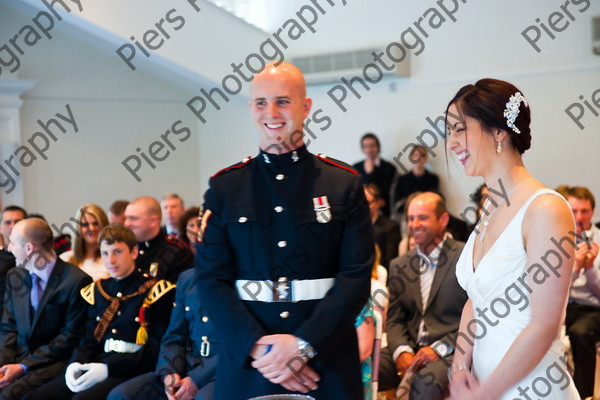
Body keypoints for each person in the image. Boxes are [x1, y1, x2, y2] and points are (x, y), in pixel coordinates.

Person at [195, 61, 374, 399]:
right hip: (250, 363)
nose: (271, 112)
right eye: (261, 102)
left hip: (326, 362)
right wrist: (261, 351)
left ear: (305, 107)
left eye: (283, 101)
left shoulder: (343, 185)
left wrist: (303, 346)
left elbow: (355, 278)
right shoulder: (224, 188)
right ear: (251, 109)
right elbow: (210, 279)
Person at [446, 78, 579, 399]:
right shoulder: (490, 209)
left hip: (531, 387)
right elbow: (476, 300)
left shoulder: (545, 208)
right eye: (449, 132)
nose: (451, 143)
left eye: (460, 129)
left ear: (499, 132)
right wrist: (460, 364)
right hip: (483, 380)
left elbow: (545, 326)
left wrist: (486, 393)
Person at [24, 225, 176, 400]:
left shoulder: (156, 291)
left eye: (117, 252)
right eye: (104, 253)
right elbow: (89, 339)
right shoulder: (98, 291)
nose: (110, 260)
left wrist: (107, 368)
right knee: (38, 396)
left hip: (131, 369)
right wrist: (76, 363)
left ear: (134, 252)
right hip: (96, 363)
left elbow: (154, 350)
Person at [379, 192, 468, 399]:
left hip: (449, 351)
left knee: (425, 381)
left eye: (422, 217)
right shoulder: (399, 265)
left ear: (443, 220)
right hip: (409, 348)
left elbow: (477, 319)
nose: (414, 224)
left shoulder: (465, 257)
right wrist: (401, 351)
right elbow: (394, 320)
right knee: (360, 366)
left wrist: (438, 349)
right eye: (410, 218)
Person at [0, 218, 91, 399]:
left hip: (54, 362)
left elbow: (69, 337)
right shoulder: (15, 276)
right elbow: (8, 326)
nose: (9, 249)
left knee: (9, 396)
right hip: (17, 358)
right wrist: (3, 366)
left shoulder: (76, 281)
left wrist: (23, 366)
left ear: (29, 248)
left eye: (12, 242)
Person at [107, 268, 219, 400]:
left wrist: (196, 379)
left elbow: (240, 344)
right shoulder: (188, 278)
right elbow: (174, 336)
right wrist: (169, 374)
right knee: (120, 395)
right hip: (185, 367)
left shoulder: (241, 279)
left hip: (219, 372)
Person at [562, 186, 600, 398]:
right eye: (573, 211)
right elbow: (555, 289)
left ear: (592, 212)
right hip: (564, 305)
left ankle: (583, 395)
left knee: (580, 333)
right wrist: (575, 268)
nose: (579, 217)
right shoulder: (557, 240)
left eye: (584, 211)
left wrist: (591, 268)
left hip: (592, 308)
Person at [124, 197, 192, 283]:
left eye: (134, 218)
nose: (127, 223)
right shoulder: (125, 249)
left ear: (154, 221)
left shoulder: (178, 253)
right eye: (126, 218)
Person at [60, 204, 110, 281]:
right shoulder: (65, 259)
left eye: (96, 223)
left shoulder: (112, 261)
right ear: (78, 228)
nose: (91, 228)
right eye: (85, 224)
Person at [353, 133, 398, 216]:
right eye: (366, 146)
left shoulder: (389, 167)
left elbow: (386, 190)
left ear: (378, 147)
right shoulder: (356, 168)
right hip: (362, 211)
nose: (370, 149)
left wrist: (371, 173)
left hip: (384, 213)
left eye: (372, 145)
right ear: (363, 149)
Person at [392, 145, 439, 217]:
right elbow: (397, 203)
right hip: (407, 216)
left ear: (426, 158)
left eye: (422, 155)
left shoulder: (433, 179)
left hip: (427, 215)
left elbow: (434, 202)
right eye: (416, 155)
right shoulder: (402, 179)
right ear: (411, 157)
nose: (419, 158)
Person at [364, 183, 400, 271]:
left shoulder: (391, 228)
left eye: (368, 202)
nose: (363, 207)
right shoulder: (354, 226)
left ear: (378, 203)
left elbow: (388, 261)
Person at [0, 206, 27, 320]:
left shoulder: (36, 258)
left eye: (17, 221)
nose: (13, 226)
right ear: (0, 227)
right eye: (7, 222)